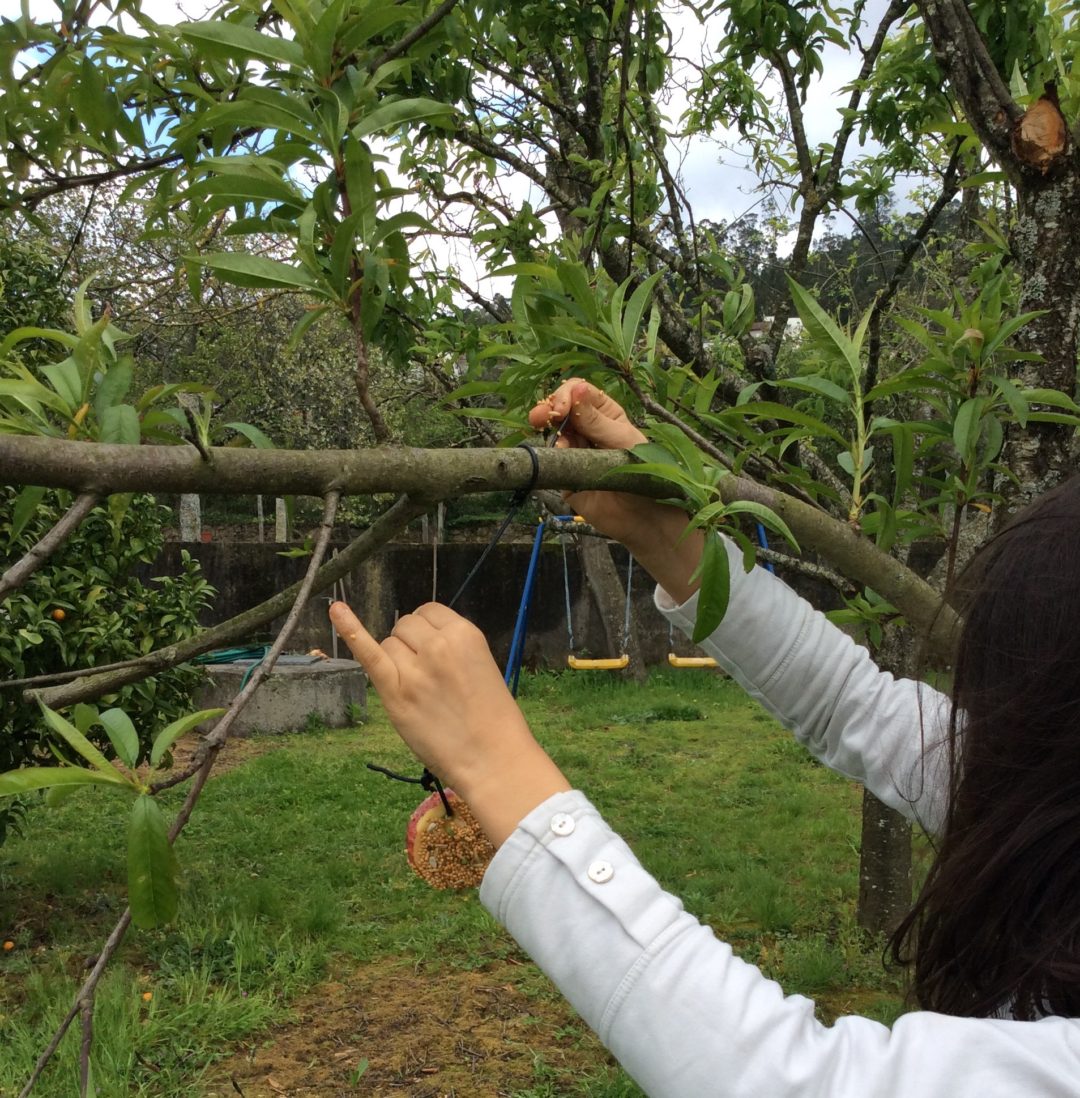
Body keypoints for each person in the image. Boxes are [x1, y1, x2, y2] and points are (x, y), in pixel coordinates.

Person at [329, 378, 1080, 1097]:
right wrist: (666, 530)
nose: (976, 731)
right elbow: (864, 710)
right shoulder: (1047, 794)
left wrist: (498, 770)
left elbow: (800, 1087)